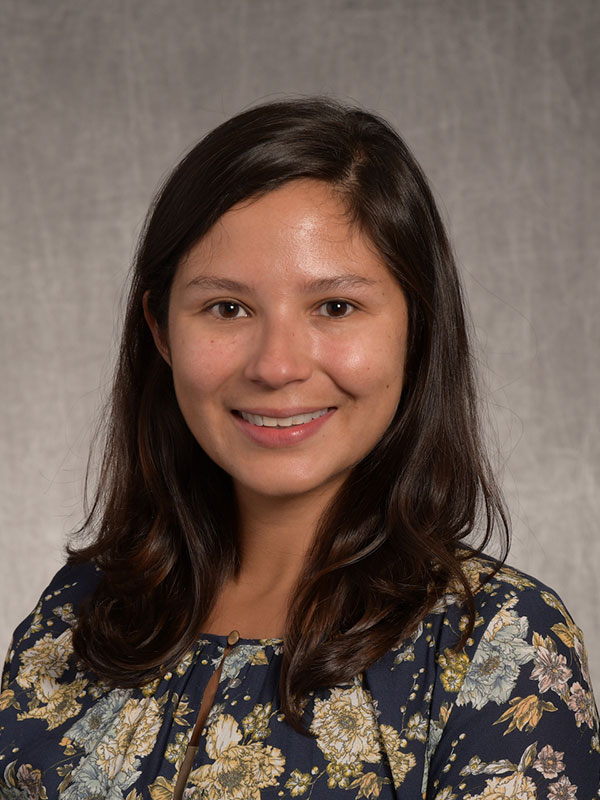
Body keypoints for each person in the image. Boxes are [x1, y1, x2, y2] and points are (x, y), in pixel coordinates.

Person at [1, 97, 598, 800]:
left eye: (335, 308)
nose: (277, 366)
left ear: (418, 326)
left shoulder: (498, 644)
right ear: (161, 331)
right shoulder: (77, 613)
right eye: (227, 308)